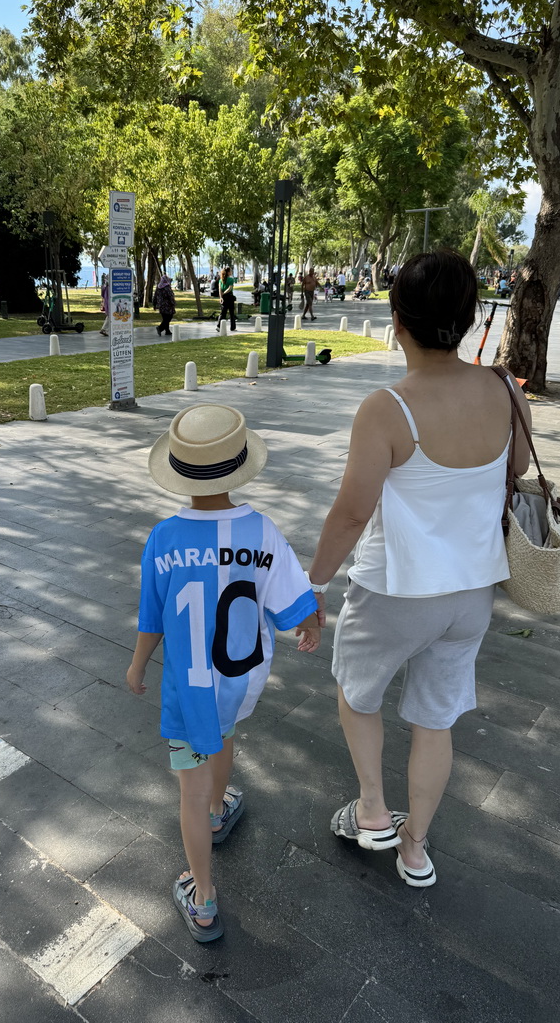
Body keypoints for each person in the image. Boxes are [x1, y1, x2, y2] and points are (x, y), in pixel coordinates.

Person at [303, 249, 531, 888]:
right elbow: (511, 472)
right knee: (436, 718)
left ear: (397, 321)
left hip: (396, 588)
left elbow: (351, 515)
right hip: (472, 593)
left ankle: (372, 809)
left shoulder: (387, 408)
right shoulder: (506, 390)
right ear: (466, 318)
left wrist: (314, 583)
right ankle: (415, 848)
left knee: (357, 690)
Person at [127, 404, 321, 942]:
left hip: (186, 694)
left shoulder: (163, 539)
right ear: (240, 465)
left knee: (186, 786)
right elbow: (294, 606)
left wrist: (138, 664)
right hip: (240, 680)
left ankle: (205, 897)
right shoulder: (261, 531)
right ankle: (219, 808)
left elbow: (152, 618)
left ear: (178, 472)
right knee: (228, 731)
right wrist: (311, 627)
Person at [216, 267, 236, 332]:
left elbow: (220, 289)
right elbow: (230, 288)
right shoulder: (231, 279)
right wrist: (225, 293)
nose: (231, 272)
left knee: (223, 312)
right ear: (228, 272)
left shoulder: (220, 280)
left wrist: (221, 297)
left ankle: (219, 326)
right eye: (230, 271)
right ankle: (232, 327)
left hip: (224, 298)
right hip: (229, 296)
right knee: (231, 313)